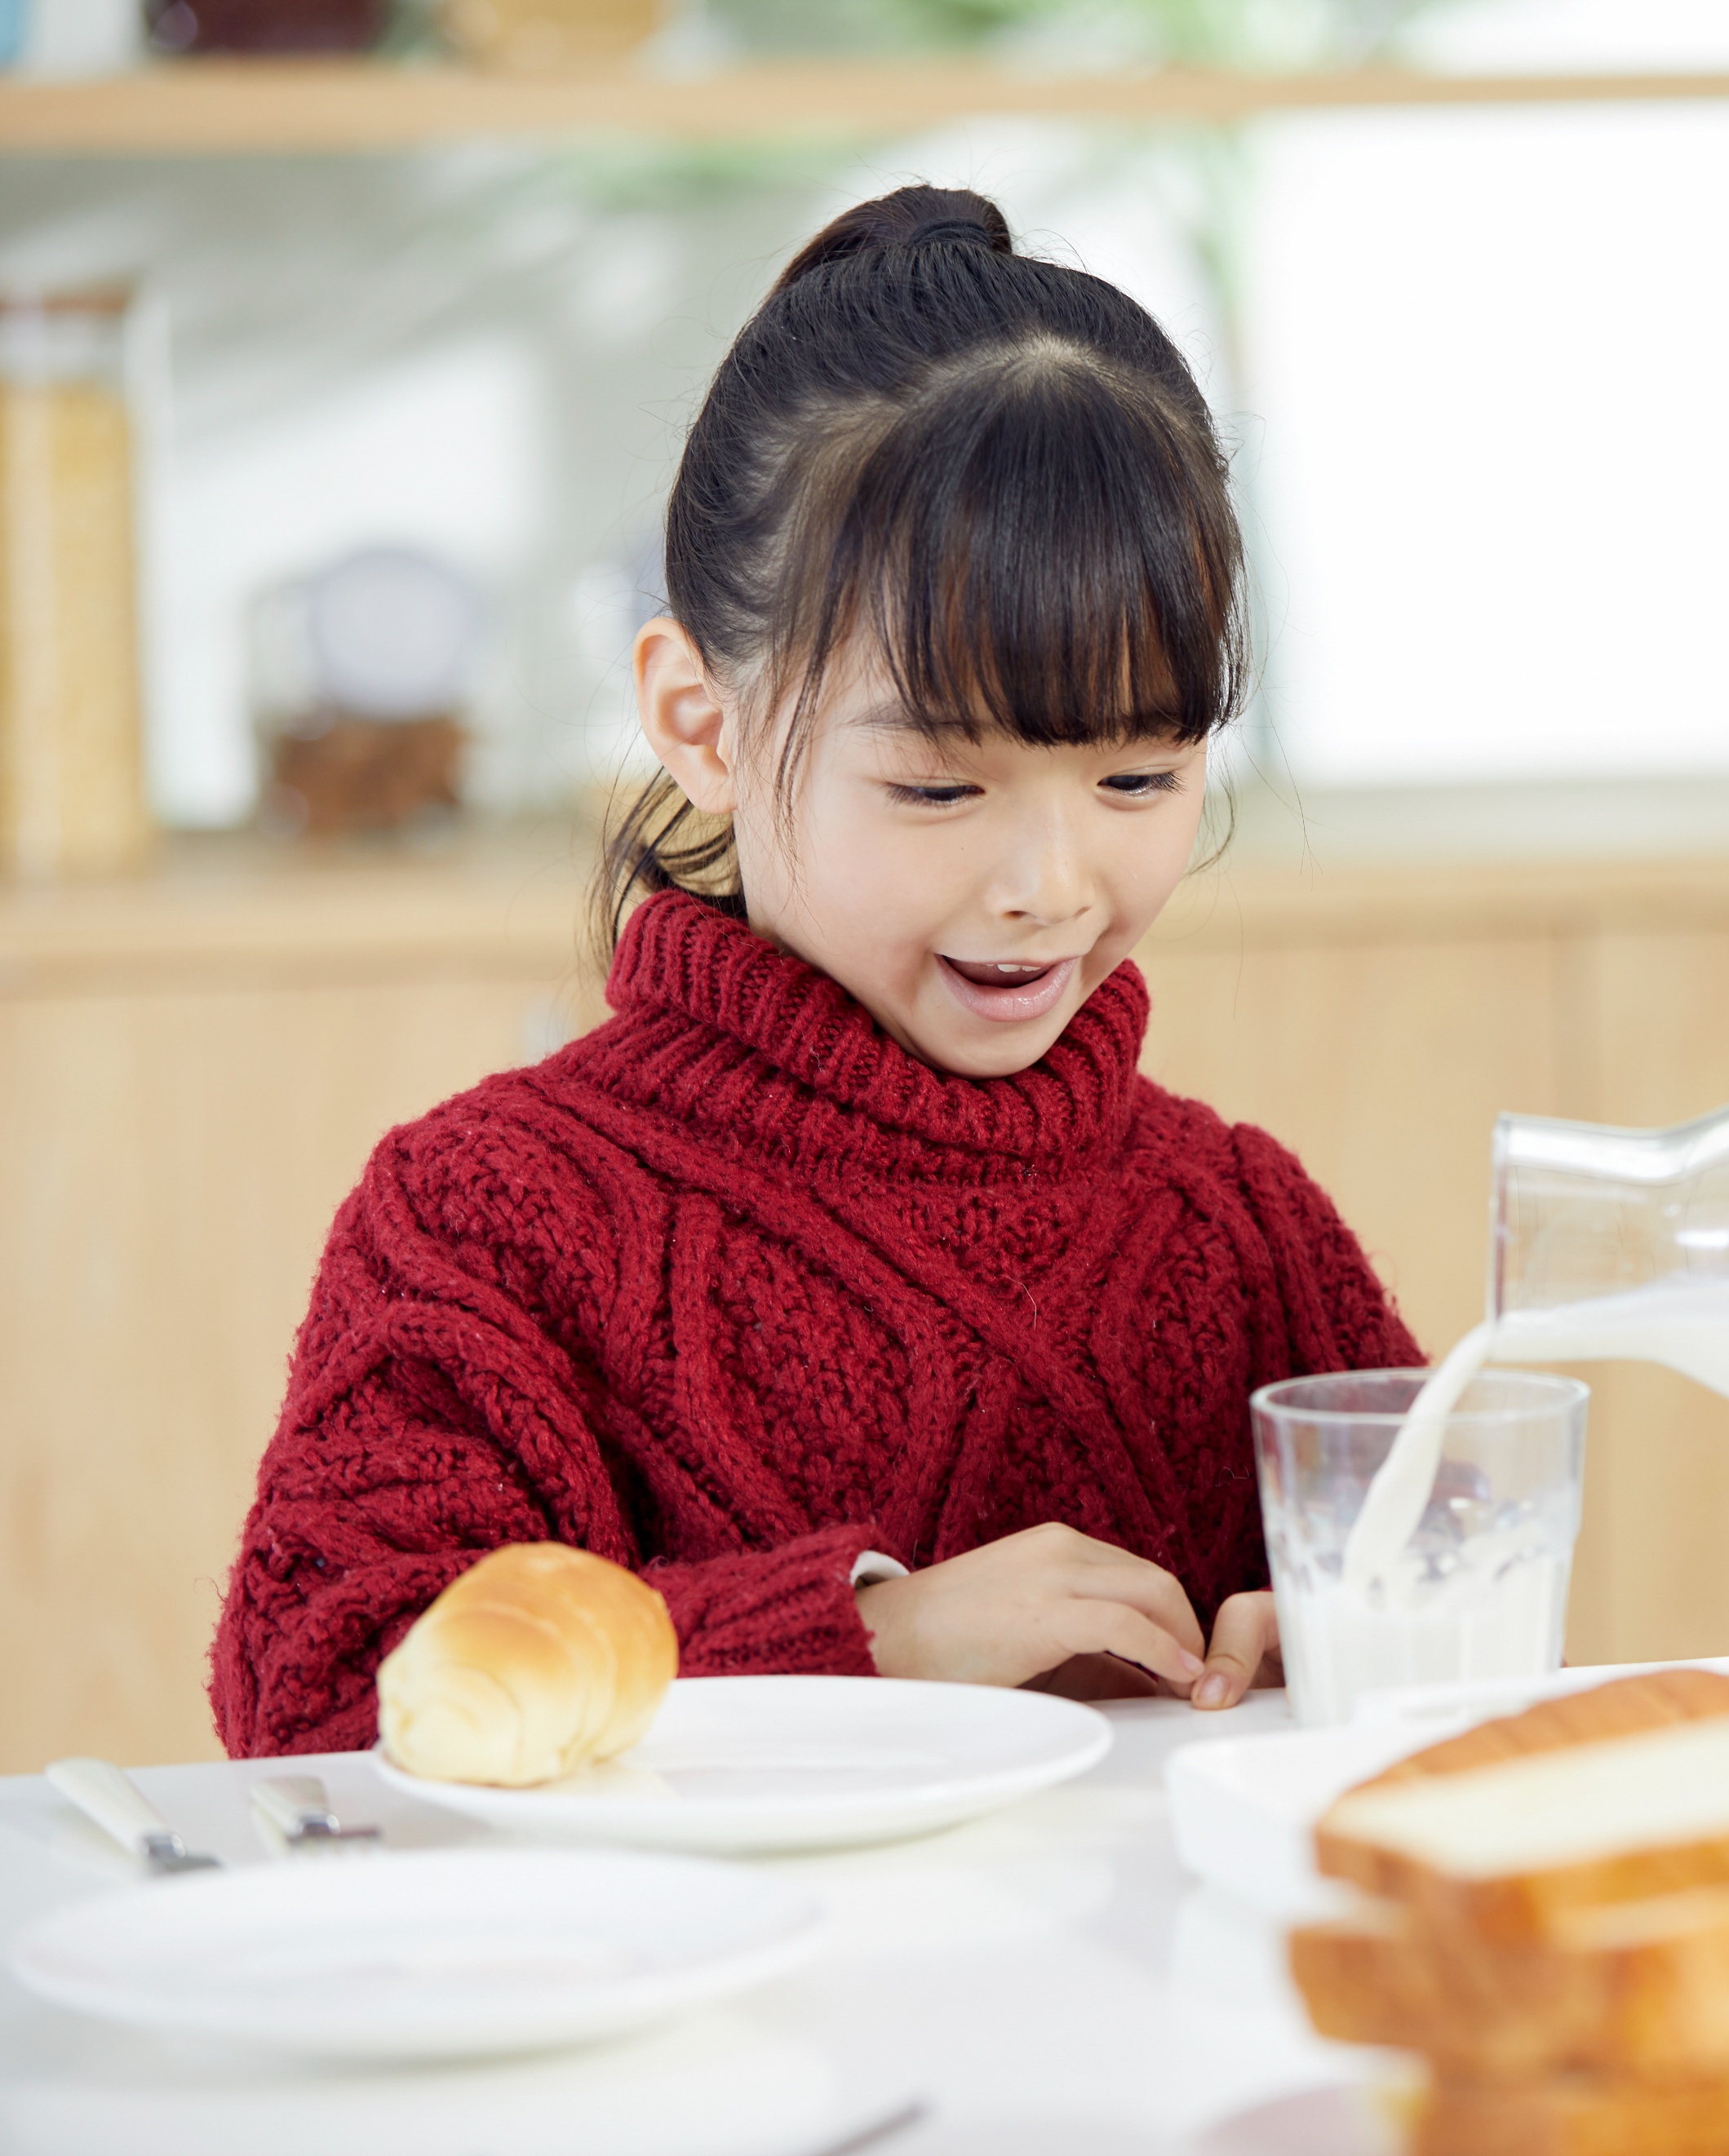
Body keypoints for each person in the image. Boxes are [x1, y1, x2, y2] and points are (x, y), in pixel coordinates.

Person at [210, 187, 1416, 1757]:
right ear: (701, 726)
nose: (1048, 886)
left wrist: (1344, 1643)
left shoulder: (1242, 1228)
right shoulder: (490, 1217)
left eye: (1138, 780)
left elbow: (1454, 1585)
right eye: (936, 788)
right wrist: (866, 1639)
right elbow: (321, 1699)